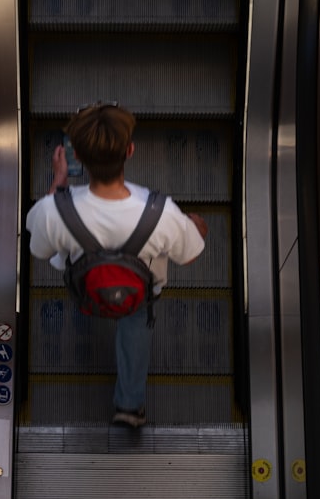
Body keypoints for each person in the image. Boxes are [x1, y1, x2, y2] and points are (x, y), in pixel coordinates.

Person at [25, 102, 208, 428]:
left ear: (76, 155)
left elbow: (40, 250)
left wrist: (59, 182)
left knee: (64, 248)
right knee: (137, 316)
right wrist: (195, 225)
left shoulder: (52, 210)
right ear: (130, 150)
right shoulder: (163, 212)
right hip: (139, 293)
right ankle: (129, 405)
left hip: (85, 292)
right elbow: (190, 255)